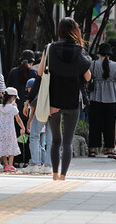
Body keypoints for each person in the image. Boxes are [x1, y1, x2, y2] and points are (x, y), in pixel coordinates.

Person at [37, 18, 92, 180]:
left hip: (54, 101)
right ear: (75, 30)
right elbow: (88, 77)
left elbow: (40, 72)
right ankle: (63, 176)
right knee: (67, 142)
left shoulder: (50, 48)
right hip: (73, 101)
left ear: (59, 31)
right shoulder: (80, 50)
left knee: (55, 140)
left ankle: (54, 175)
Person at [87, 43, 116, 157]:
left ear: (99, 53)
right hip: (111, 97)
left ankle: (92, 149)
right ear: (109, 54)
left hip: (96, 96)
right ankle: (110, 149)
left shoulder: (93, 64)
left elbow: (89, 77)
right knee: (110, 124)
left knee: (94, 123)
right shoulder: (115, 65)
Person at [0, 87, 25, 172]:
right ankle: (10, 165)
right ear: (12, 98)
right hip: (10, 131)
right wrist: (22, 127)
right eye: (15, 98)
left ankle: (6, 165)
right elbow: (18, 119)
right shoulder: (13, 108)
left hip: (0, 131)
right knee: (11, 147)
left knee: (3, 148)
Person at [23, 77, 52, 172]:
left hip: (42, 108)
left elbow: (34, 91)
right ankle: (49, 165)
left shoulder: (43, 75)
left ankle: (34, 164)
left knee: (34, 136)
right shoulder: (60, 74)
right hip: (55, 108)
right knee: (51, 138)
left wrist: (27, 103)